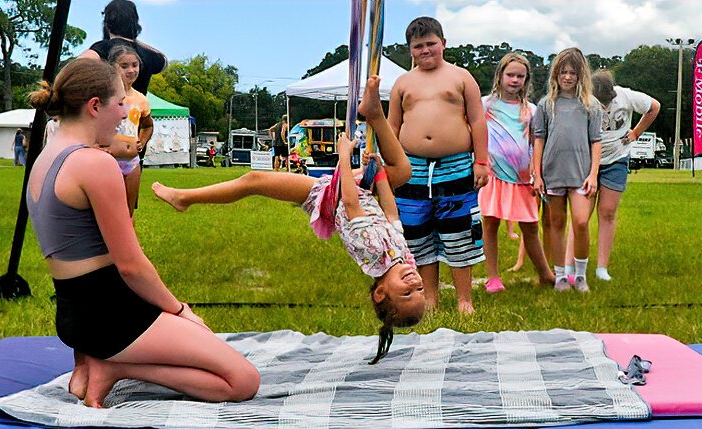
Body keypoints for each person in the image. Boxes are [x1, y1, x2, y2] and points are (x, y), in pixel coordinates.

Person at [24, 57, 258, 407]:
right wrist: (180, 311)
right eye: (120, 104)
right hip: (110, 315)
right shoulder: (94, 164)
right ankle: (116, 368)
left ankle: (100, 359)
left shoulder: (45, 159)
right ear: (94, 106)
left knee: (207, 353)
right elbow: (131, 267)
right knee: (241, 380)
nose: (124, 114)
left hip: (74, 314)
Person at [151, 76, 425, 361]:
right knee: (402, 170)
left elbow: (350, 202)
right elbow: (391, 213)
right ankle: (374, 113)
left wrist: (343, 158)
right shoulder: (401, 258)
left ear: (380, 293)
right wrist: (379, 173)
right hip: (358, 189)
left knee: (253, 179)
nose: (414, 282)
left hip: (332, 195)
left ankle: (185, 198)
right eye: (419, 288)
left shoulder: (372, 254)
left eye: (407, 293)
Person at [388, 17, 489, 313]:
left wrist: (481, 161)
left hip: (456, 167)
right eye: (418, 46)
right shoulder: (403, 83)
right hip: (412, 169)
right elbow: (392, 126)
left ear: (444, 43)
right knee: (418, 234)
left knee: (458, 233)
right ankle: (429, 297)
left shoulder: (461, 77)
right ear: (410, 50)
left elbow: (478, 120)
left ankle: (464, 299)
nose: (425, 50)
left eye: (431, 44)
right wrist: (389, 164)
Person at [480, 53, 557, 294]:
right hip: (493, 176)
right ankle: (492, 277)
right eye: (510, 75)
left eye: (520, 76)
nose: (514, 80)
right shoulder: (485, 105)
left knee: (530, 227)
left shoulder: (531, 111)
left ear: (526, 80)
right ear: (500, 76)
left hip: (523, 178)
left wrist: (537, 172)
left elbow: (536, 143)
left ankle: (545, 273)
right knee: (490, 224)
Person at [532, 47, 603, 293]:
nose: (568, 77)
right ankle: (560, 274)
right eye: (563, 72)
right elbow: (539, 139)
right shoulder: (546, 105)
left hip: (581, 174)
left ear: (581, 75)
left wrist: (593, 173)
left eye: (573, 73)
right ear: (556, 74)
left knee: (581, 222)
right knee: (556, 223)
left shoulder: (590, 106)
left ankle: (580, 275)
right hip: (553, 172)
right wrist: (537, 174)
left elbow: (596, 141)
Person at [588, 70, 659, 282]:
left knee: (608, 212)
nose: (605, 105)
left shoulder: (625, 96)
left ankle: (602, 267)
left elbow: (654, 107)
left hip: (617, 160)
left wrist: (636, 132)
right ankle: (573, 266)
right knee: (581, 216)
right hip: (587, 162)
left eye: (608, 100)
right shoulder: (584, 100)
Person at [77, 0, 167, 95]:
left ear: (107, 23)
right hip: (138, 108)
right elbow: (164, 61)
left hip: (107, 107)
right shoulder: (148, 54)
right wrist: (135, 40)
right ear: (135, 22)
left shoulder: (103, 47)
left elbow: (77, 65)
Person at [106, 44, 154, 214]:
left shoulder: (141, 99)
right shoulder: (106, 95)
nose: (131, 70)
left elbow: (148, 125)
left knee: (128, 213)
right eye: (124, 66)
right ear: (112, 67)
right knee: (108, 212)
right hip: (108, 161)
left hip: (132, 163)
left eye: (135, 65)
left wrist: (142, 140)